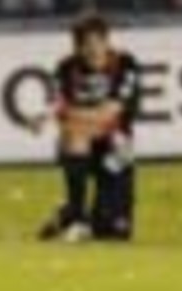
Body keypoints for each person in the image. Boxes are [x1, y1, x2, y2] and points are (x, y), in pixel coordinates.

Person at [30, 13, 141, 243]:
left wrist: (70, 115)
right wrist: (45, 116)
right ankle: (77, 218)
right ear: (77, 47)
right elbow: (57, 104)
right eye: (85, 45)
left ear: (106, 41)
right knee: (74, 135)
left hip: (116, 149)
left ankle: (66, 215)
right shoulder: (66, 67)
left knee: (115, 233)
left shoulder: (125, 64)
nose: (92, 51)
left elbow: (110, 112)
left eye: (97, 43)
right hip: (79, 145)